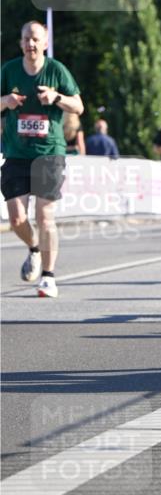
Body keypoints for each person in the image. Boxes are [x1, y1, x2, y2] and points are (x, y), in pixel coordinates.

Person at [0, 20, 84, 298]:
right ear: (21, 43)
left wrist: (56, 96)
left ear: (45, 43)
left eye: (35, 39)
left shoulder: (56, 70)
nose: (30, 44)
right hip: (16, 152)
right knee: (16, 217)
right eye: (26, 39)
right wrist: (5, 102)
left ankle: (48, 276)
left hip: (49, 153)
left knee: (44, 215)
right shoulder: (10, 70)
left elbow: (79, 106)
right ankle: (34, 248)